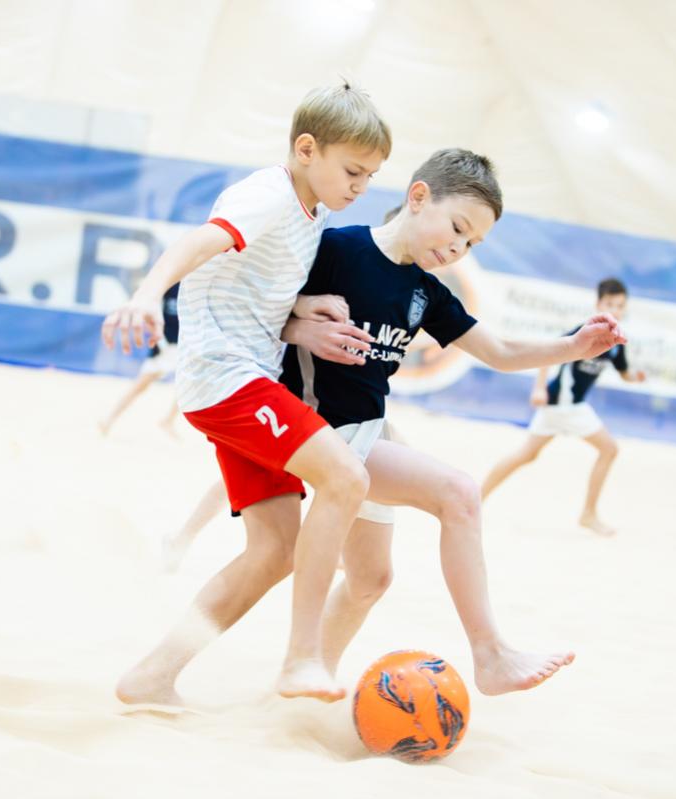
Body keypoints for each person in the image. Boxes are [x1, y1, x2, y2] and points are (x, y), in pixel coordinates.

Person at [276, 149, 625, 688]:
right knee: (459, 494)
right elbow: (258, 311)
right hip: (318, 429)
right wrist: (298, 325)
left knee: (369, 580)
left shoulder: (427, 292)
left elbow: (501, 352)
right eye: (459, 228)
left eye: (473, 243)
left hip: (368, 431)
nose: (460, 248)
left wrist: (573, 347)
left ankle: (305, 681)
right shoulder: (336, 248)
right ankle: (491, 655)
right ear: (418, 197)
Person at [101, 81, 390, 702]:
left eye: (371, 176)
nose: (361, 187)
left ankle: (152, 677)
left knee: (276, 550)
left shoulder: (312, 212)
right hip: (228, 380)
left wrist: (302, 311)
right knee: (347, 477)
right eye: (353, 171)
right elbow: (199, 242)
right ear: (307, 149)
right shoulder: (268, 194)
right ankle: (303, 658)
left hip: (243, 380)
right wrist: (146, 295)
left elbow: (251, 290)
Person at [480, 278, 645, 537]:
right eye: (609, 304)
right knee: (609, 449)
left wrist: (636, 377)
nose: (615, 309)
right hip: (564, 404)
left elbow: (625, 374)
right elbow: (549, 353)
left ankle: (476, 498)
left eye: (620, 305)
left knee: (527, 454)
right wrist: (539, 388)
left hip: (567, 407)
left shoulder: (617, 341)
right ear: (598, 304)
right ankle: (588, 515)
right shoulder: (585, 330)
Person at [98, 284, 181, 437]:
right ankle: (108, 420)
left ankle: (168, 420)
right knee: (140, 386)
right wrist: (161, 342)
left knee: (187, 386)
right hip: (163, 347)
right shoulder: (170, 284)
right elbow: (150, 314)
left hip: (182, 347)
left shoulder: (193, 286)